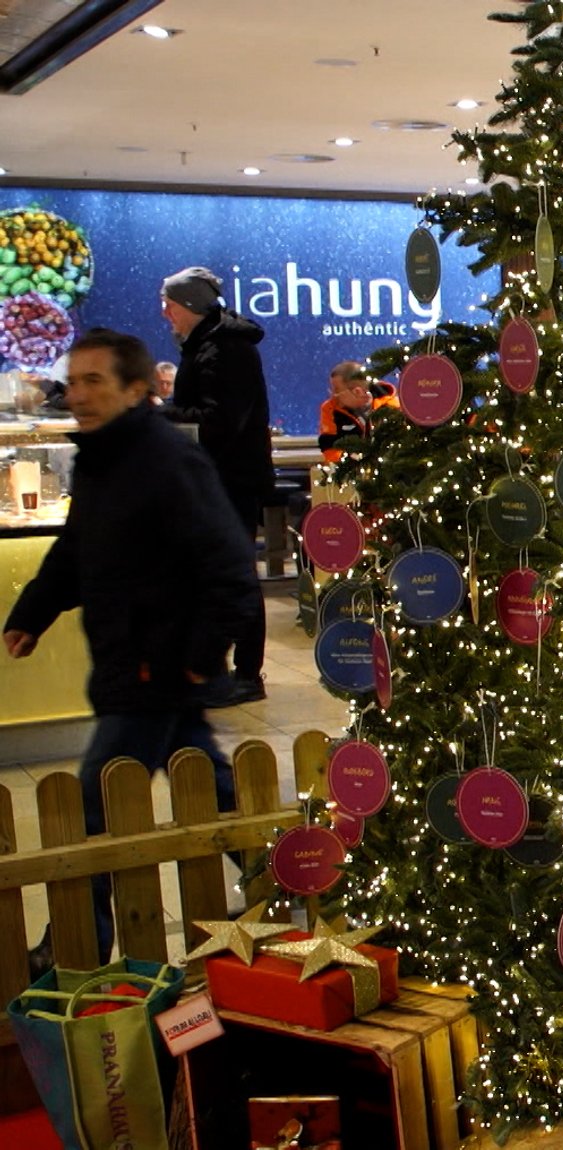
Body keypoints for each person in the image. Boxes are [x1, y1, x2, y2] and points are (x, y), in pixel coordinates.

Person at [4, 328, 255, 970]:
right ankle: (293, 884)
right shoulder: (102, 458)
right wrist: (34, 610)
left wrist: (198, 658)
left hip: (154, 672)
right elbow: (76, 547)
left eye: (95, 381)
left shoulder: (169, 461)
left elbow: (229, 568)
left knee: (91, 808)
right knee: (215, 791)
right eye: (75, 380)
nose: (79, 394)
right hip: (133, 664)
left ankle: (74, 945)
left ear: (136, 389)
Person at [160, 266, 273, 704]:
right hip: (214, 481)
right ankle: (218, 668)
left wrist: (161, 414)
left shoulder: (227, 348)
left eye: (169, 303)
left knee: (236, 575)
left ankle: (247, 674)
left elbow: (218, 422)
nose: (164, 311)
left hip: (232, 482)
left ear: (189, 305)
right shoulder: (205, 345)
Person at [317, 361, 398, 464]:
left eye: (337, 391)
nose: (333, 396)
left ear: (357, 392)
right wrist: (349, 461)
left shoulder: (392, 408)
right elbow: (329, 446)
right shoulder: (330, 409)